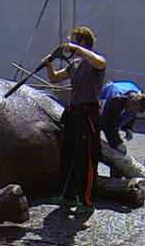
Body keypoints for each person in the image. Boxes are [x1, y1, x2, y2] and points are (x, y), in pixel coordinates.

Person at [44, 26, 107, 215]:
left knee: (86, 158)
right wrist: (48, 64)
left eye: (70, 41)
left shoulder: (97, 62)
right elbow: (55, 79)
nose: (67, 47)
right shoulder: (75, 65)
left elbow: (99, 62)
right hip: (73, 112)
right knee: (67, 153)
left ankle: (87, 201)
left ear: (81, 43)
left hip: (88, 113)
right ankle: (67, 194)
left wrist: (76, 49)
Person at [100, 81, 145, 154]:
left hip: (118, 97)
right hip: (96, 107)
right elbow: (109, 126)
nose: (134, 113)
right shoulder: (116, 101)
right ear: (132, 101)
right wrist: (118, 143)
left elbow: (131, 114)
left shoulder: (137, 97)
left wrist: (128, 127)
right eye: (134, 110)